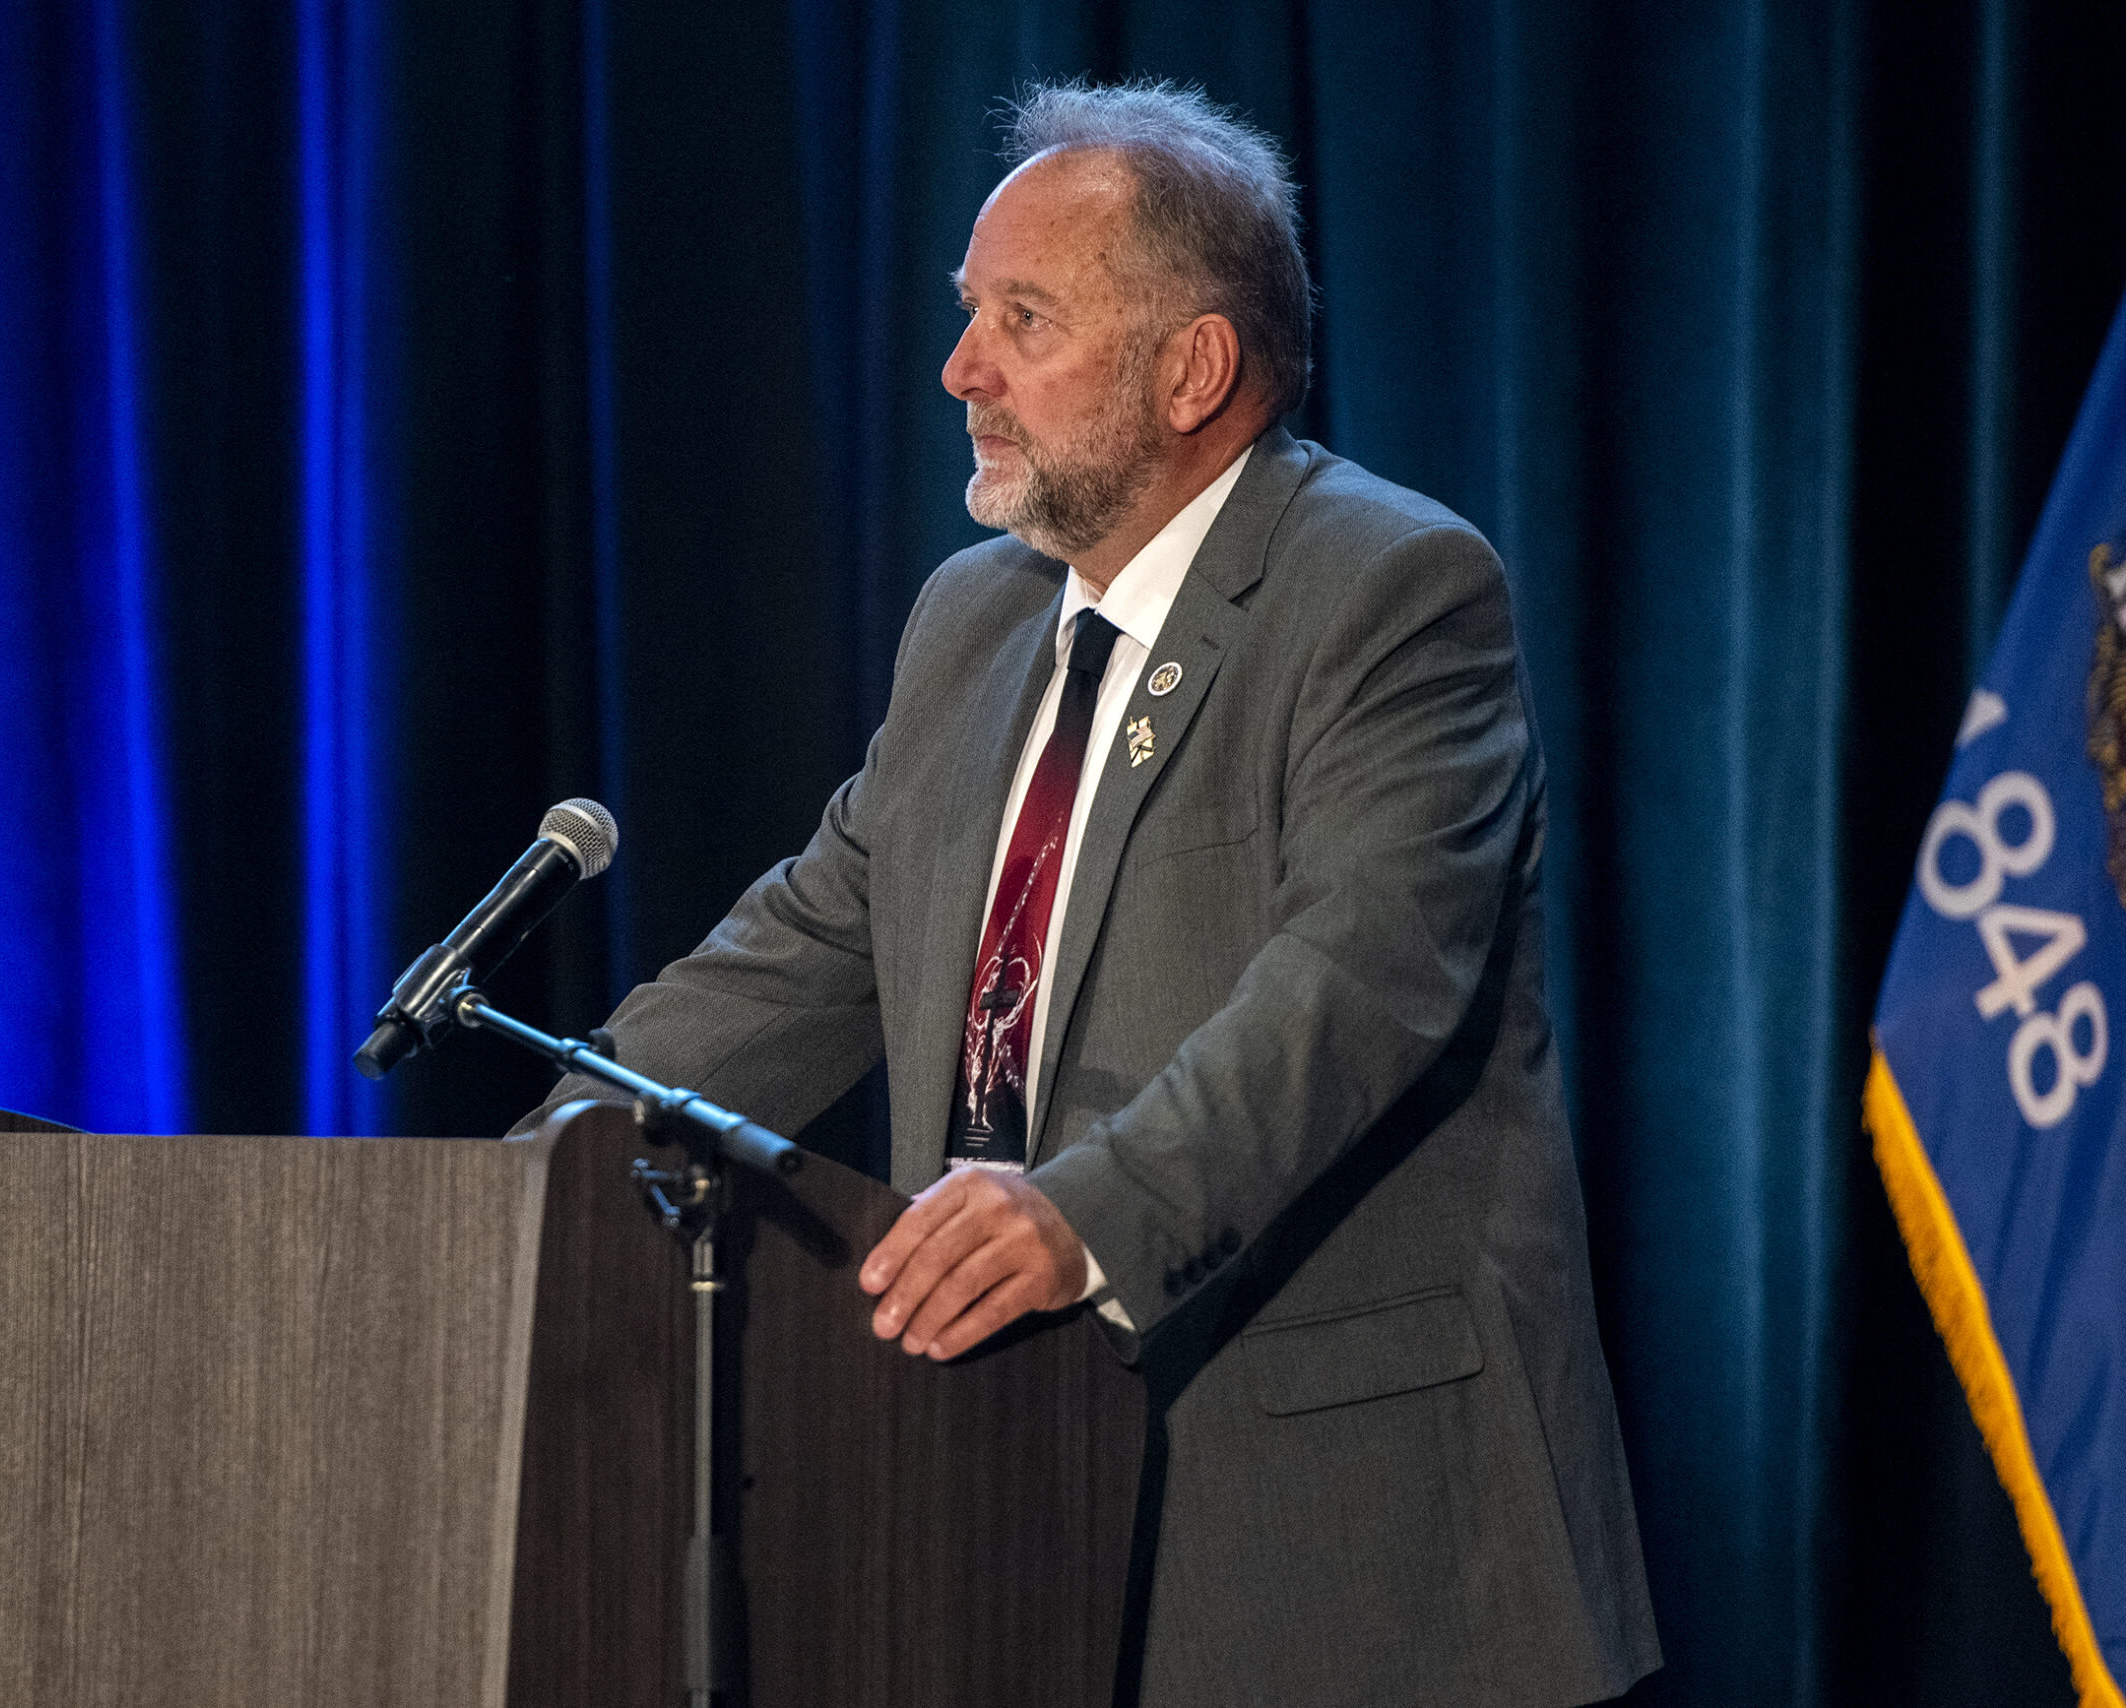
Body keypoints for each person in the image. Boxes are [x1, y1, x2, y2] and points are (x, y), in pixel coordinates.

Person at [526, 79, 1659, 1706]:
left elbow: (1359, 984)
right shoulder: (974, 620)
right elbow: (809, 940)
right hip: (997, 1495)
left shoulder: (1394, 591)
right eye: (967, 314)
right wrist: (529, 1183)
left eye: (1022, 318)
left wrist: (1083, 1217)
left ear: (1192, 368)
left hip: (1346, 1545)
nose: (959, 370)